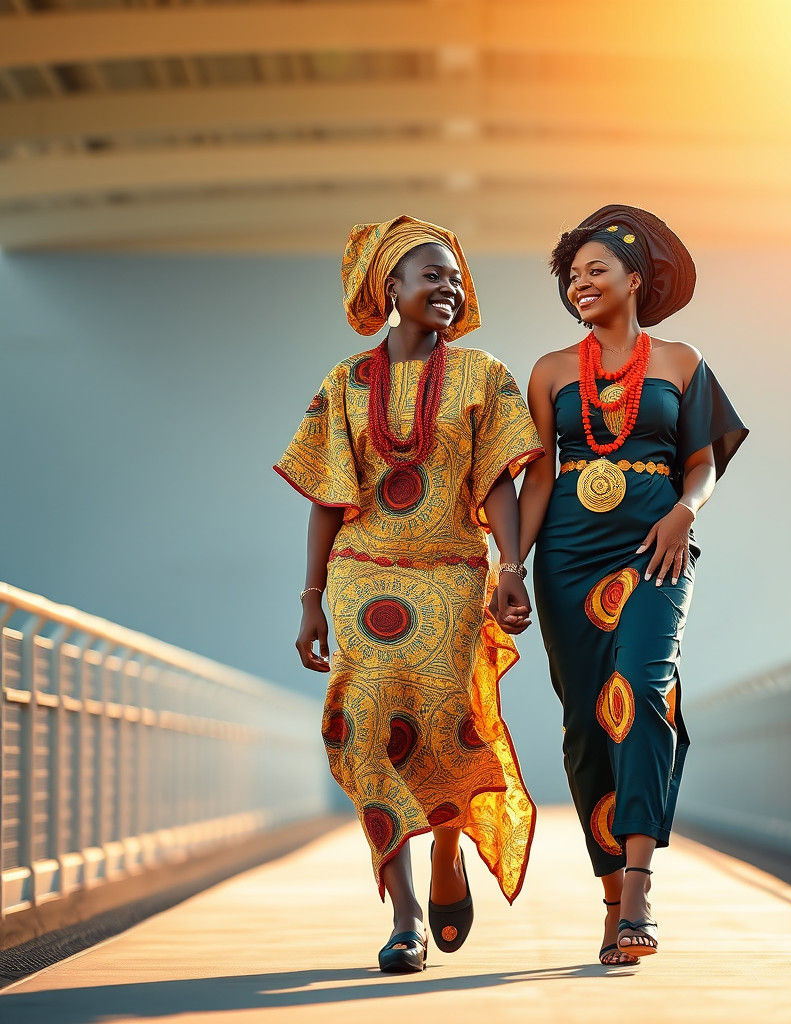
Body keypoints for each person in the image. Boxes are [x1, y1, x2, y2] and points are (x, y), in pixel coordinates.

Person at [273, 215, 542, 973]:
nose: (450, 287)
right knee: (361, 722)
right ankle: (405, 913)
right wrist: (310, 599)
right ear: (391, 288)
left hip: (455, 569)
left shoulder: (483, 375)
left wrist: (511, 569)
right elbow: (327, 497)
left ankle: (448, 854)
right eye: (433, 275)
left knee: (443, 719)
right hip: (364, 571)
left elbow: (495, 483)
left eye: (457, 277)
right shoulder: (346, 382)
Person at [516, 204, 749, 966]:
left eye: (596, 270)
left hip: (656, 548)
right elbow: (540, 479)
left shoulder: (681, 361)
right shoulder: (550, 371)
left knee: (643, 691)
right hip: (567, 558)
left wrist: (686, 511)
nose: (581, 283)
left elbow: (705, 459)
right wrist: (510, 564)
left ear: (635, 280)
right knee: (586, 722)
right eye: (573, 275)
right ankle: (612, 898)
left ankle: (642, 890)